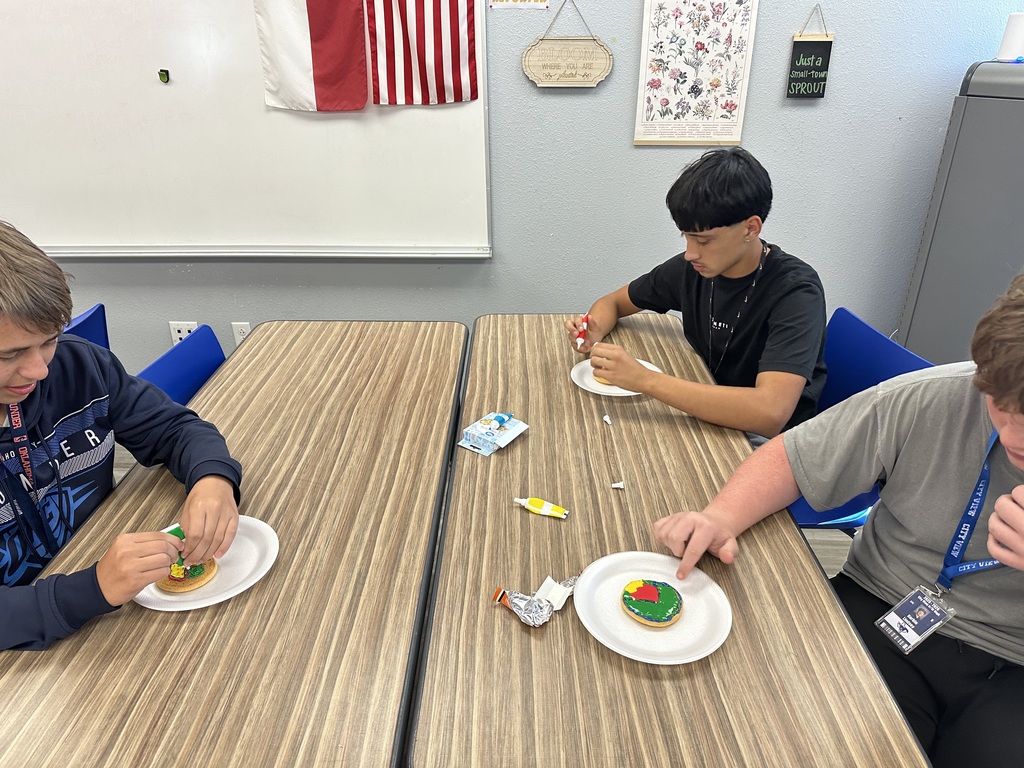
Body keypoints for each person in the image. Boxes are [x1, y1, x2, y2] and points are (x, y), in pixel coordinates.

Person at [653, 273, 1024, 767]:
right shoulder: (941, 395)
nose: (1014, 433)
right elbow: (791, 458)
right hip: (883, 600)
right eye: (1000, 405)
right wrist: (720, 516)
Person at [0, 221, 242, 650]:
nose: (39, 369)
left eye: (49, 341)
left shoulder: (81, 367)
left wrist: (212, 479)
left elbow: (176, 429)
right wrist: (92, 589)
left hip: (103, 602)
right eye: (10, 355)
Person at [566, 147, 826, 439]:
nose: (690, 253)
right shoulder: (694, 269)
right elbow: (613, 302)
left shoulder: (796, 291)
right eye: (686, 237)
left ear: (751, 228)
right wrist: (594, 330)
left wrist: (644, 380)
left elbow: (770, 414)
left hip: (771, 441)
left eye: (703, 240)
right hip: (707, 413)